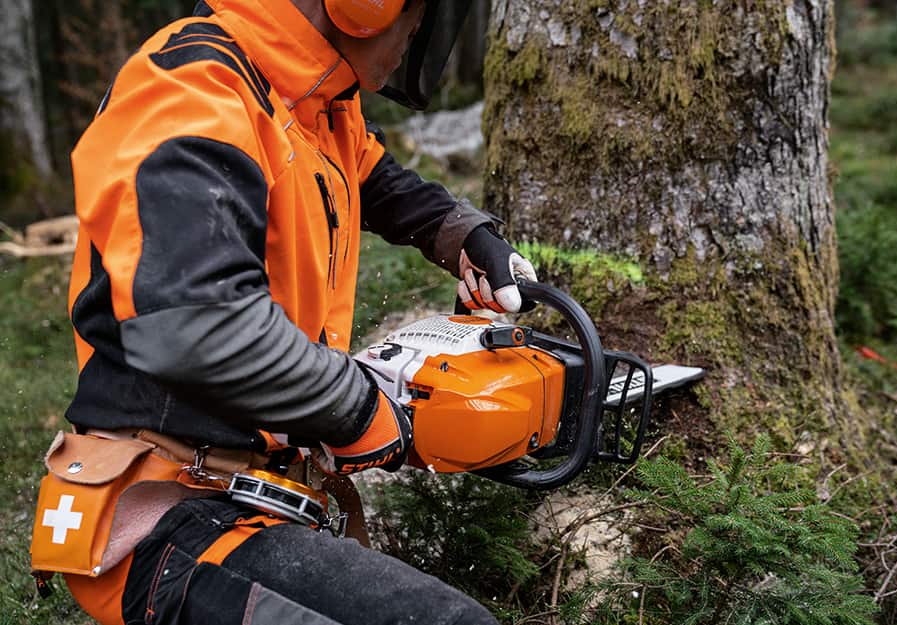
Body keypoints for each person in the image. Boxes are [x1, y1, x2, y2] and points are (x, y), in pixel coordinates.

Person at [29, 0, 537, 623]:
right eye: (416, 14)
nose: (417, 34)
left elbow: (371, 175)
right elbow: (201, 327)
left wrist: (459, 234)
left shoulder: (310, 98)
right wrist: (355, 407)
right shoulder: (192, 87)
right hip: (164, 513)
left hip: (252, 493)